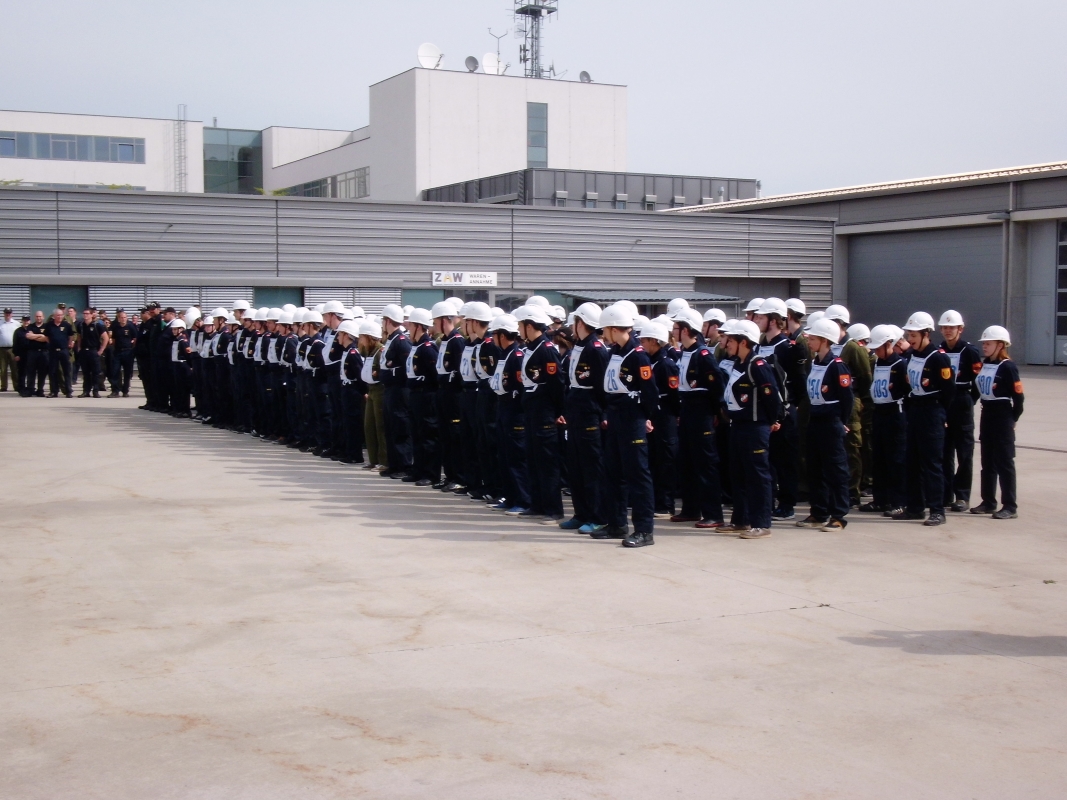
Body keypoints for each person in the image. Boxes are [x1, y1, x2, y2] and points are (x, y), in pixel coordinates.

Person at [597, 304, 658, 547]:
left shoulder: (638, 355)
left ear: (613, 329)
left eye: (605, 330)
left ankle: (644, 530)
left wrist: (644, 417)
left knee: (638, 476)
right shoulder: (615, 352)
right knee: (613, 474)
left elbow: (650, 393)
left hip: (632, 419)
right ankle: (616, 523)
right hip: (615, 417)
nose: (603, 335)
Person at [720, 319, 781, 538]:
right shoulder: (738, 363)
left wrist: (771, 419)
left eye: (731, 340)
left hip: (755, 428)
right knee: (738, 474)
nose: (726, 344)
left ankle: (761, 523)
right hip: (737, 425)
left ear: (743, 342)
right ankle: (741, 520)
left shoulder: (758, 365)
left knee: (757, 476)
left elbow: (771, 396)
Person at [896, 311, 955, 526]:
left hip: (932, 411)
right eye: (908, 334)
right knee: (911, 462)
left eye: (913, 334)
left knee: (932, 464)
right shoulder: (911, 355)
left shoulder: (939, 357)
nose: (910, 339)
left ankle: (937, 510)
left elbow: (949, 391)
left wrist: (941, 414)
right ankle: (915, 507)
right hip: (915, 410)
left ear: (926, 334)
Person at [796, 317, 854, 532]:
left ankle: (838, 515)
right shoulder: (816, 363)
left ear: (824, 340)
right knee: (815, 469)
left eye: (813, 338)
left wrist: (842, 422)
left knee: (836, 470)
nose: (809, 342)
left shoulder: (837, 366)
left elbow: (846, 398)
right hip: (815, 421)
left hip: (831, 423)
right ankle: (819, 512)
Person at [670, 307, 725, 529]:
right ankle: (690, 508)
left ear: (685, 329)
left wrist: (714, 413)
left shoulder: (703, 355)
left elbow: (717, 385)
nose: (673, 331)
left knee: (705, 464)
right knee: (687, 463)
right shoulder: (683, 352)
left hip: (701, 412)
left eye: (676, 327)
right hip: (687, 411)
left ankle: (714, 513)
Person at [558, 302, 610, 534]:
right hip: (575, 414)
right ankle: (581, 513)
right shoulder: (578, 347)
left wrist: (602, 414)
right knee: (576, 468)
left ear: (582, 323)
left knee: (592, 470)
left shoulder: (596, 349)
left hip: (589, 415)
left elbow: (602, 386)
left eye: (575, 322)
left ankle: (597, 515)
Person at [753, 297, 805, 521]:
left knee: (786, 460)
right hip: (763, 412)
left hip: (784, 411)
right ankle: (770, 498)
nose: (757, 321)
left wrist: (789, 407)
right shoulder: (757, 346)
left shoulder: (790, 348)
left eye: (762, 317)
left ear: (773, 321)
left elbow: (799, 384)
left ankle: (787, 502)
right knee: (768, 460)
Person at [516, 304, 565, 524]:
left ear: (529, 326)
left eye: (520, 325)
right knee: (533, 460)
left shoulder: (546, 349)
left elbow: (556, 383)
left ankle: (553, 509)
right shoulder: (529, 348)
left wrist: (558, 411)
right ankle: (537, 504)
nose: (518, 329)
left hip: (544, 411)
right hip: (531, 409)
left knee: (547, 463)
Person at [970, 326, 1024, 520]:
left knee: (1005, 462)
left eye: (988, 343)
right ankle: (988, 501)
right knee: (987, 462)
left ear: (1000, 345)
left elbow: (1019, 398)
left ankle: (1010, 505)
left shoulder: (1008, 367)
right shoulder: (985, 364)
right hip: (988, 414)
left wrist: (1013, 419)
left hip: (1002, 415)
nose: (984, 347)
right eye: (984, 343)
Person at [823, 305, 872, 507]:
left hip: (850, 402)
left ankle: (853, 490)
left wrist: (860, 402)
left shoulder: (852, 348)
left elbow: (865, 377)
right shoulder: (829, 346)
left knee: (851, 448)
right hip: (831, 403)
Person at [938, 310, 982, 512]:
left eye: (951, 328)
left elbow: (978, 381)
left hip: (962, 400)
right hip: (944, 402)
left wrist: (969, 401)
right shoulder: (939, 350)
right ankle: (945, 494)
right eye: (945, 328)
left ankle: (962, 496)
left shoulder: (969, 351)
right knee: (944, 452)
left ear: (960, 329)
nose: (947, 331)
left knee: (964, 452)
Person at [862, 325, 909, 516]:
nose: (876, 351)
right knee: (878, 458)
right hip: (879, 413)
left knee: (895, 460)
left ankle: (898, 501)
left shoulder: (900, 364)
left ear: (889, 344)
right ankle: (880, 499)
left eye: (879, 347)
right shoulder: (877, 363)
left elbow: (906, 391)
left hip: (895, 415)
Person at [488, 313, 532, 514]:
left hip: (514, 411)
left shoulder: (516, 356)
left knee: (516, 458)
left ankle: (523, 499)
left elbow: (520, 387)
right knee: (504, 456)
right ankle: (510, 496)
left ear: (503, 335)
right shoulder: (504, 355)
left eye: (496, 334)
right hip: (503, 407)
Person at [640, 321, 680, 520]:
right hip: (654, 417)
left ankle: (666, 504)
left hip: (665, 418)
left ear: (655, 341)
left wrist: (674, 415)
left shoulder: (666, 364)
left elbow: (673, 395)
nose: (642, 344)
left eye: (645, 340)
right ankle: (657, 500)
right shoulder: (651, 361)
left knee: (666, 461)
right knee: (654, 460)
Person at [403, 308, 440, 486]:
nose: (408, 328)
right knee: (417, 433)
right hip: (416, 395)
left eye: (410, 325)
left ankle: (430, 473)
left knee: (428, 436)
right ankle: (418, 469)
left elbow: (434, 376)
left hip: (426, 396)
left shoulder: (428, 348)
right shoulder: (416, 346)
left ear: (418, 326)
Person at [432, 301, 465, 491]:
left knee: (454, 437)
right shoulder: (445, 341)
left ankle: (458, 476)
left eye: (437, 320)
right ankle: (450, 475)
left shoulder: (457, 341)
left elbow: (459, 371)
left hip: (454, 395)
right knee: (445, 436)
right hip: (443, 392)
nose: (435, 324)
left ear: (445, 320)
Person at [378, 303, 413, 479]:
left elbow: (407, 367)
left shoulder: (401, 342)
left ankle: (404, 465)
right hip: (390, 390)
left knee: (400, 428)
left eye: (384, 320)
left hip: (399, 390)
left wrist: (393, 371)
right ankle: (394, 464)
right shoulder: (391, 340)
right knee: (390, 427)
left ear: (389, 321)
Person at [336, 318, 367, 465]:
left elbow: (360, 375)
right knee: (347, 423)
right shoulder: (347, 351)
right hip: (346, 389)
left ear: (347, 335)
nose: (338, 338)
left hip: (353, 390)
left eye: (340, 334)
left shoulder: (353, 353)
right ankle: (349, 452)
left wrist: (362, 392)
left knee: (353, 424)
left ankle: (355, 455)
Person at [358, 318, 387, 472]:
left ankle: (383, 461)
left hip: (379, 390)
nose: (360, 340)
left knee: (380, 426)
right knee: (369, 425)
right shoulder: (368, 351)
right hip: (370, 390)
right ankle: (373, 459)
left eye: (362, 337)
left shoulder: (380, 351)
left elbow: (382, 372)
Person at [76, 307, 109, 398]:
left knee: (95, 372)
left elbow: (106, 338)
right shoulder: (81, 325)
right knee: (85, 373)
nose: (85, 315)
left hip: (94, 351)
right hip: (84, 351)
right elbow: (79, 337)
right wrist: (79, 347)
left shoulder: (97, 325)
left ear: (91, 315)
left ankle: (96, 391)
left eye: (87, 313)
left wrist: (101, 350)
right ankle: (86, 391)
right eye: (84, 313)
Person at [44, 309, 76, 398]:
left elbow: (71, 335)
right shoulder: (49, 325)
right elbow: (46, 337)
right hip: (53, 351)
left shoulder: (66, 325)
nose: (59, 317)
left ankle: (68, 391)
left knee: (66, 371)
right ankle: (54, 391)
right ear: (54, 316)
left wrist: (70, 343)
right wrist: (51, 343)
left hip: (64, 351)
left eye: (61, 315)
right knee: (52, 372)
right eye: (58, 315)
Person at [107, 309, 137, 397]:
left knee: (127, 373)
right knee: (115, 371)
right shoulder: (116, 326)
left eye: (125, 317)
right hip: (118, 352)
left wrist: (132, 348)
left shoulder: (131, 326)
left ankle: (125, 390)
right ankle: (115, 390)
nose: (123, 319)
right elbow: (114, 338)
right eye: (121, 317)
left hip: (128, 352)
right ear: (118, 318)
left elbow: (135, 338)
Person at [169, 318, 192, 417]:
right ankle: (179, 408)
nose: (173, 331)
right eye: (173, 329)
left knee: (183, 390)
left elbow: (188, 355)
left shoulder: (183, 341)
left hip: (182, 366)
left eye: (175, 329)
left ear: (181, 329)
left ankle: (185, 410)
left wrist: (190, 367)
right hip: (176, 365)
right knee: (178, 389)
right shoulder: (176, 340)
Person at [24, 311, 50, 396]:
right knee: (31, 372)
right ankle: (30, 389)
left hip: (43, 352)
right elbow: (28, 336)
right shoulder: (30, 326)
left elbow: (46, 339)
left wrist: (34, 336)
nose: (38, 318)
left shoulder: (46, 326)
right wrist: (40, 335)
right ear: (35, 317)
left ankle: (40, 390)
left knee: (42, 372)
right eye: (37, 316)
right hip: (32, 353)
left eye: (40, 316)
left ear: (43, 317)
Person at [12, 315, 30, 396]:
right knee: (22, 372)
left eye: (27, 320)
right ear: (22, 321)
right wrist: (16, 354)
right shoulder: (18, 331)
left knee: (30, 372)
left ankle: (30, 388)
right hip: (21, 354)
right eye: (24, 320)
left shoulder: (32, 330)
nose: (26, 322)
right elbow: (15, 344)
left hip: (31, 355)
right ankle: (21, 388)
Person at [0, 308, 17, 391]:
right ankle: (3, 386)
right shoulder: (0, 323)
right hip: (2, 349)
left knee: (14, 368)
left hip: (13, 349)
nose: (8, 314)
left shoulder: (16, 324)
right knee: (3, 369)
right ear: (4, 314)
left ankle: (16, 386)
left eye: (9, 313)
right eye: (6, 313)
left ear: (12, 314)